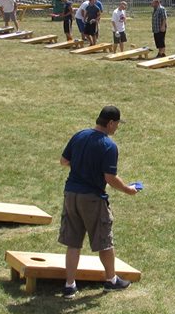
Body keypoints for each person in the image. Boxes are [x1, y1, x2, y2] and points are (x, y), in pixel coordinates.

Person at [58, 106, 139, 299]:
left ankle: (69, 285)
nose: (117, 128)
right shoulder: (108, 146)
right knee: (104, 240)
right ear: (110, 123)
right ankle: (111, 280)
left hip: (71, 194)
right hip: (92, 198)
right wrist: (128, 189)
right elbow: (110, 178)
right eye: (117, 124)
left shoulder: (79, 135)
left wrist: (80, 165)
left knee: (73, 242)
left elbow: (63, 161)